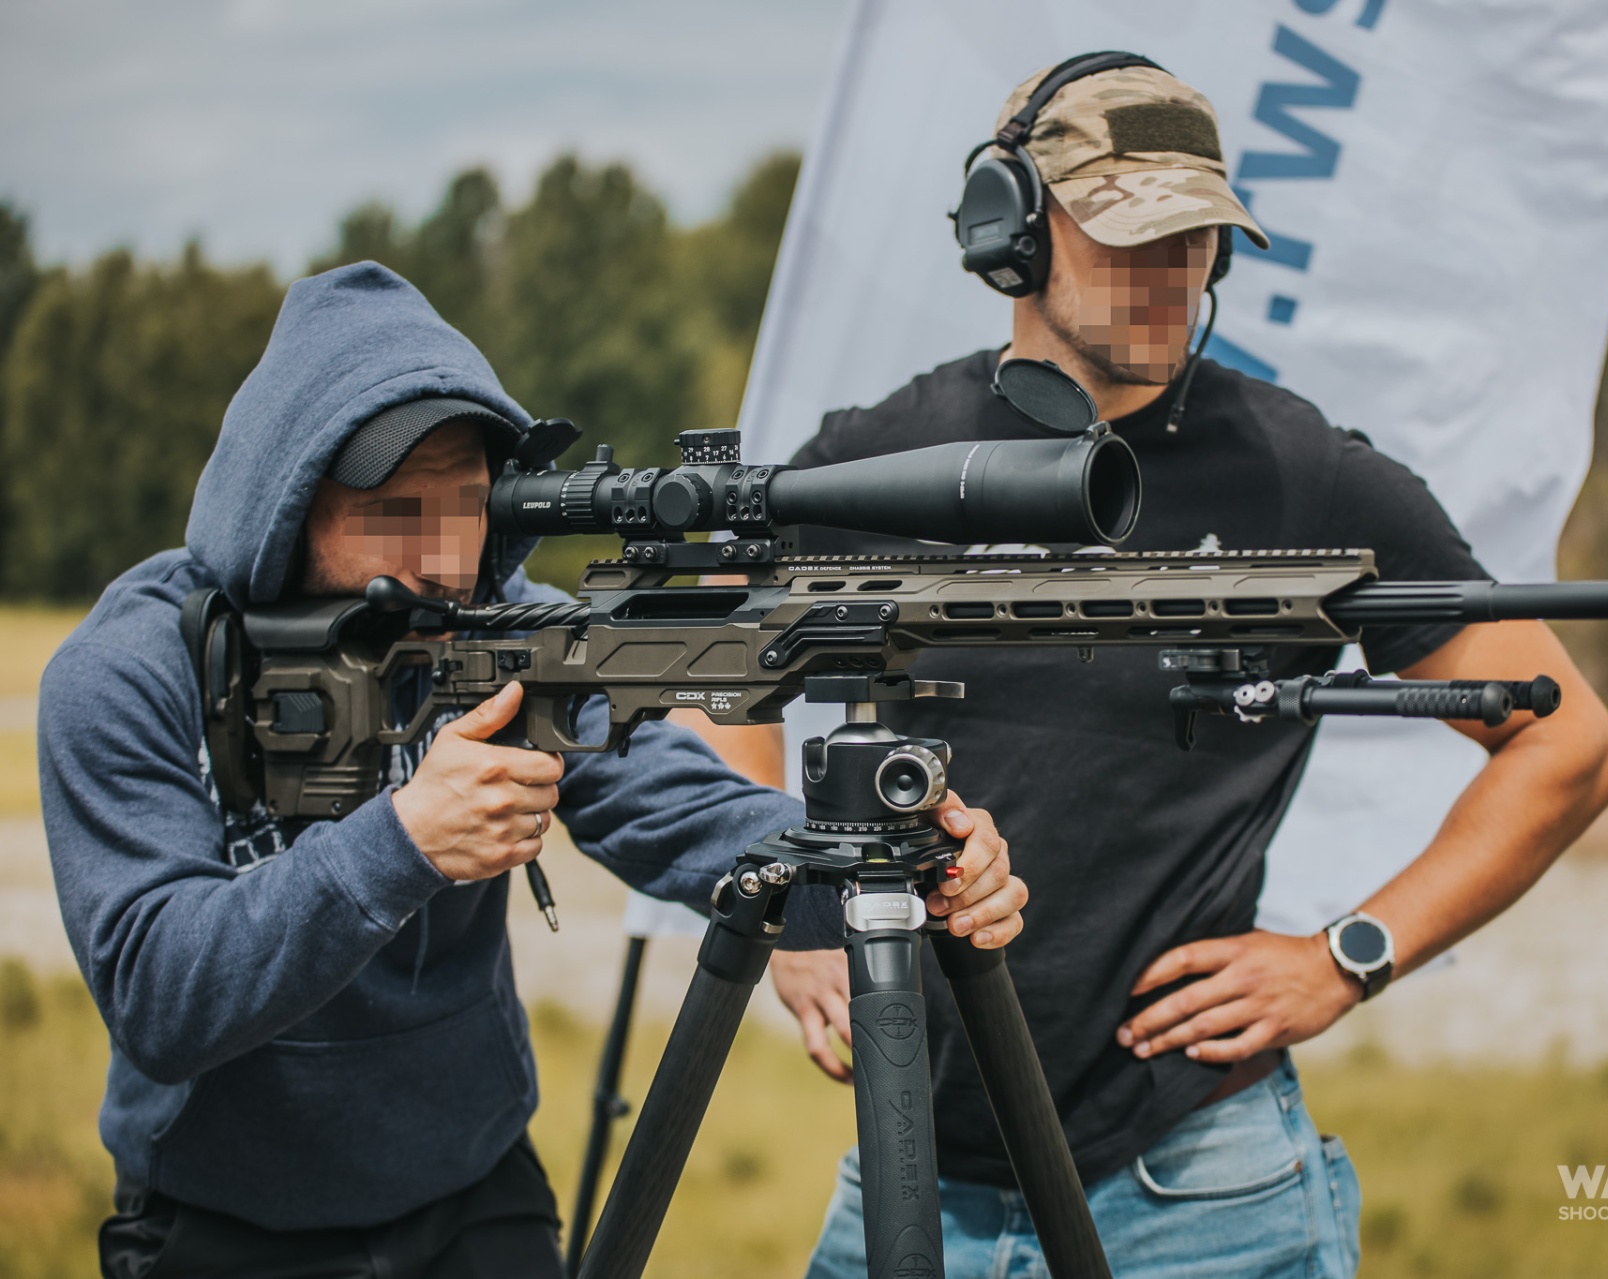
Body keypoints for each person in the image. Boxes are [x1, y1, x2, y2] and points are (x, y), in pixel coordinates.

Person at [761, 58, 1608, 1278]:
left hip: (1198, 1190)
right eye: (1131, 236)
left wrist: (1348, 955)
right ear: (1011, 229)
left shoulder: (1305, 477)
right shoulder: (878, 459)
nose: (1172, 276)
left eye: (1197, 240)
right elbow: (718, 671)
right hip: (907, 1174)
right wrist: (792, 922)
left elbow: (1567, 740)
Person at [38, 262, 1028, 1279]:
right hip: (220, 1218)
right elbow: (160, 997)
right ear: (285, 503)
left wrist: (893, 868)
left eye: (462, 506)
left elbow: (690, 820)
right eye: (391, 510)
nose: (435, 558)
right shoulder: (126, 674)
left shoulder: (509, 639)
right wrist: (400, 843)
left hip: (472, 1194)